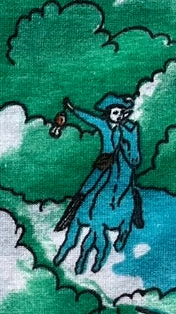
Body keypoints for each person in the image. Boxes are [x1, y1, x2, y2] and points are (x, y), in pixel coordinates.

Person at [54, 94, 143, 274]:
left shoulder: (125, 128)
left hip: (120, 162)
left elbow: (132, 145)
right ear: (108, 113)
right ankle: (70, 215)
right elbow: (88, 118)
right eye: (115, 112)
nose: (118, 116)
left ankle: (136, 217)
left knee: (131, 188)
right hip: (104, 163)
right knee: (86, 188)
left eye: (121, 113)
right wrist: (72, 109)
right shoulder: (103, 125)